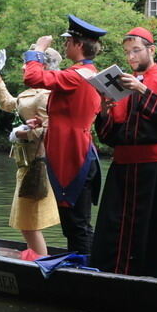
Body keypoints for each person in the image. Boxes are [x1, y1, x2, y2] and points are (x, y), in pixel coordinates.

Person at [91, 27, 157, 278]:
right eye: (127, 52)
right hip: (122, 167)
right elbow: (108, 138)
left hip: (154, 166)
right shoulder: (122, 83)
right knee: (114, 224)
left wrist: (142, 89)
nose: (131, 57)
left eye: (136, 50)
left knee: (155, 227)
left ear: (152, 50)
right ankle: (111, 276)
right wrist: (104, 111)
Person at [23, 15, 105, 255]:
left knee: (77, 223)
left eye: (69, 41)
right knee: (73, 222)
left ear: (79, 45)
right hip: (75, 149)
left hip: (72, 154)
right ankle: (80, 268)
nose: (66, 45)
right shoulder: (87, 73)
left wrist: (38, 50)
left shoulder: (77, 74)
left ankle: (84, 274)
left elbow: (32, 77)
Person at [0, 48, 62, 256]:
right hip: (24, 162)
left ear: (44, 67)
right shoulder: (30, 93)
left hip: (37, 163)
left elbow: (51, 130)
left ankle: (40, 263)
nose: (24, 67)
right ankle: (38, 259)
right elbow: (8, 104)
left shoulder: (47, 95)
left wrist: (23, 134)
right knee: (27, 222)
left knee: (29, 223)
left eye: (28, 63)